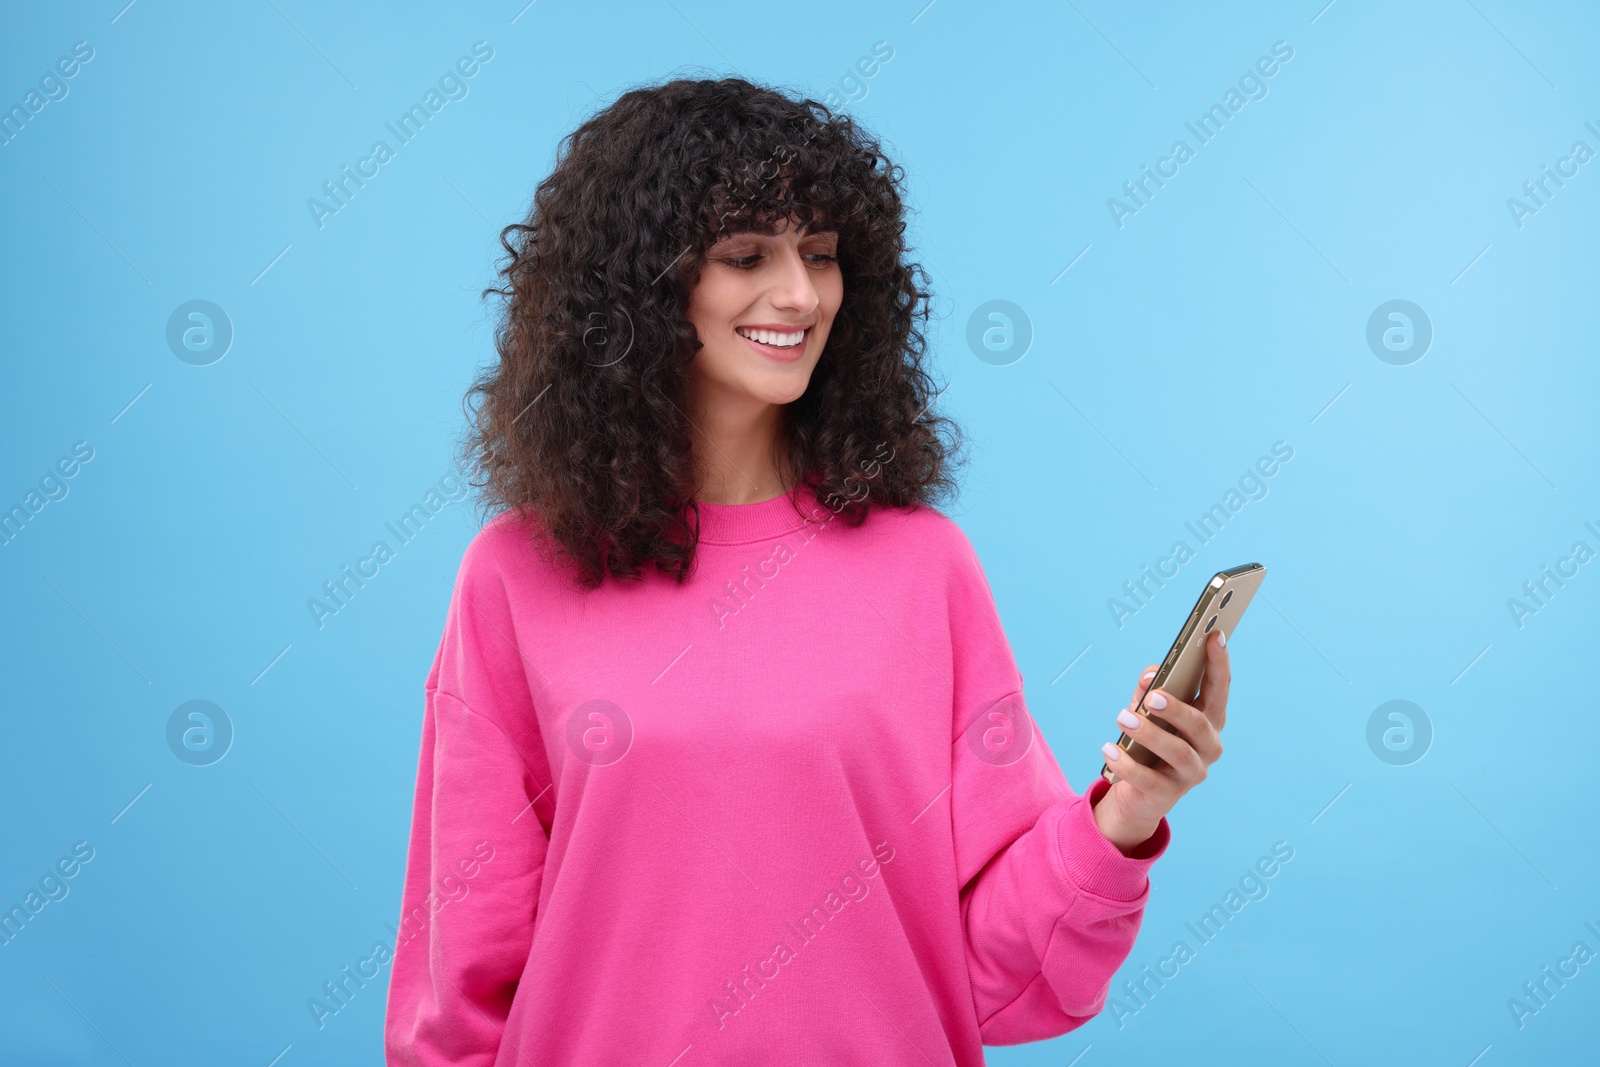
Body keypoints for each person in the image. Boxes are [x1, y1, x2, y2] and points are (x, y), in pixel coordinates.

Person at [383, 75, 1229, 1066]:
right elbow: (461, 970)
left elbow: (1000, 974)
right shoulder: (515, 578)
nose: (798, 294)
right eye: (747, 255)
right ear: (644, 284)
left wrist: (1123, 814)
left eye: (820, 256)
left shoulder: (925, 568)